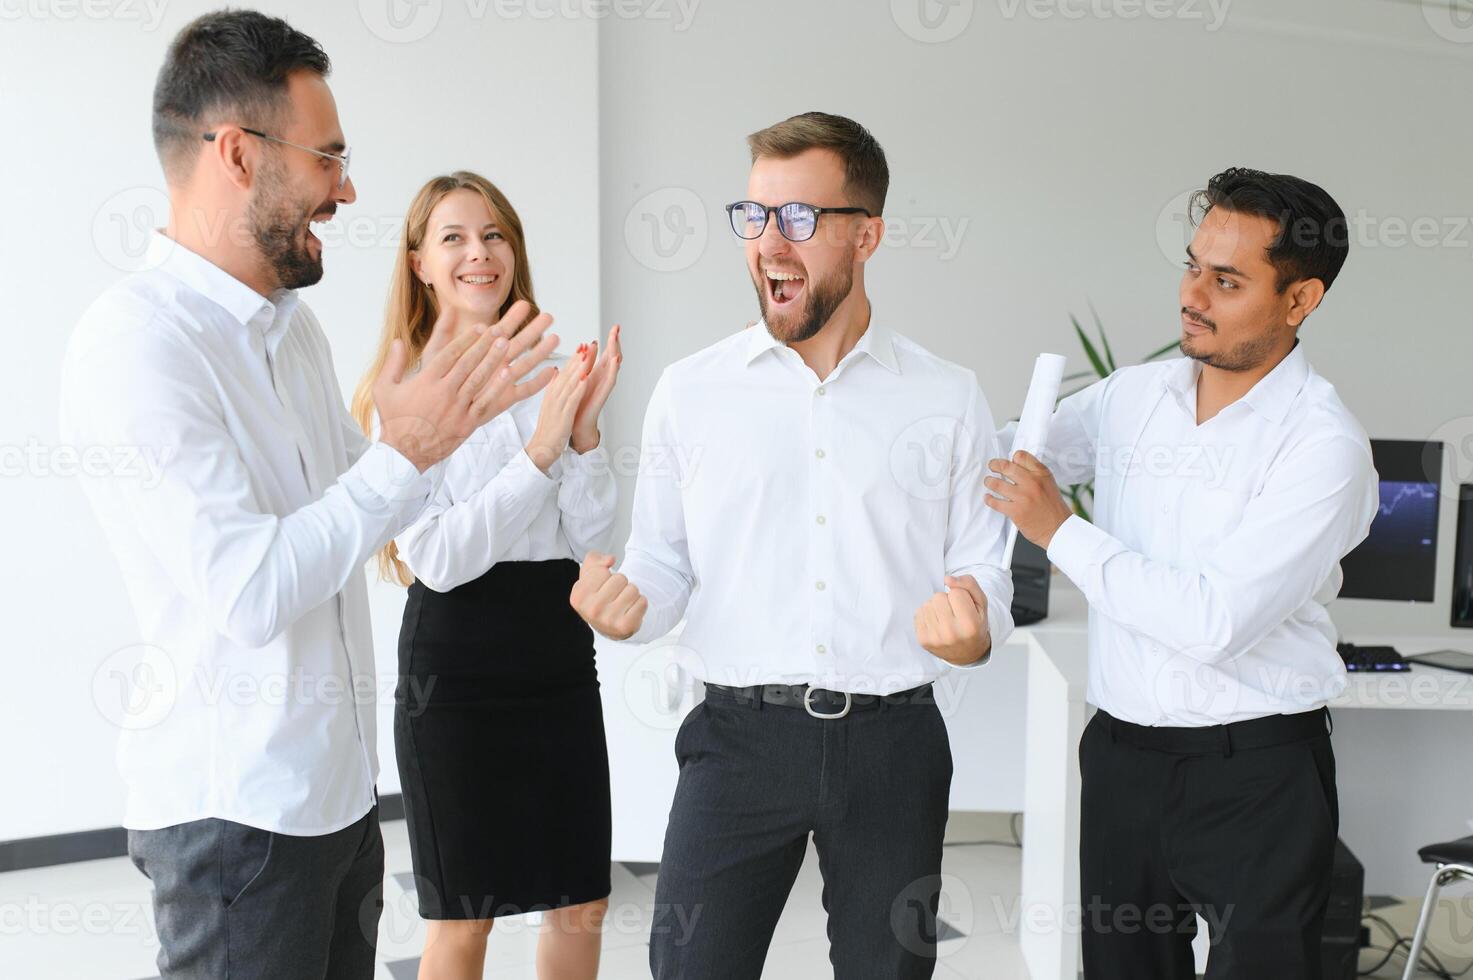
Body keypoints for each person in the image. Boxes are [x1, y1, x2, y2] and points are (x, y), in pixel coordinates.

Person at [58, 12, 558, 979]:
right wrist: (406, 449)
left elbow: (384, 510)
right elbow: (249, 591)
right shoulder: (138, 345)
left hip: (335, 804)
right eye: (328, 158)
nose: (349, 188)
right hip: (235, 825)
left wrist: (517, 439)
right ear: (239, 155)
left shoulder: (293, 332)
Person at [569, 111, 1015, 979]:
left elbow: (983, 572)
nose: (770, 243)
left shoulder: (948, 397)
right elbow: (662, 561)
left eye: (800, 219)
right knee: (692, 967)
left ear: (866, 235)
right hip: (736, 741)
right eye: (754, 216)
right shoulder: (690, 391)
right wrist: (629, 608)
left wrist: (975, 627)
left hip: (893, 743)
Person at [985, 167, 1377, 979]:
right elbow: (1004, 459)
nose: (1192, 294)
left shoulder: (1322, 446)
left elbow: (1211, 622)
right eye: (1193, 264)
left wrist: (1057, 530)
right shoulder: (1134, 396)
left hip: (1257, 776)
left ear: (1300, 300)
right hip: (1124, 759)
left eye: (1226, 280)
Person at [350, 171, 622, 980]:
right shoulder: (399, 392)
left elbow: (594, 540)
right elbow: (438, 558)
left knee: (579, 905)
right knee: (464, 920)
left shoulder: (545, 372)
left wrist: (583, 435)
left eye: (495, 234)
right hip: (457, 676)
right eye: (455, 237)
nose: (480, 252)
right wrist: (539, 452)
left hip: (558, 659)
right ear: (420, 262)